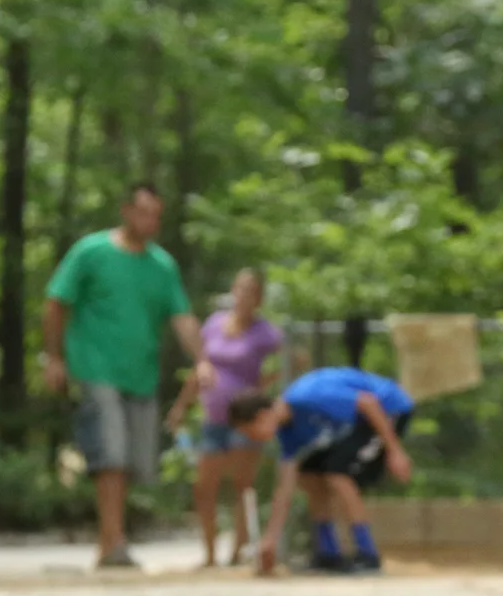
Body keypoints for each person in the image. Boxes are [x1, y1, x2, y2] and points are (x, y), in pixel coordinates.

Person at [42, 184, 212, 568]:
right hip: (96, 368)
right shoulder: (91, 252)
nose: (149, 220)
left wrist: (201, 360)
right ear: (126, 211)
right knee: (112, 454)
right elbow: (55, 303)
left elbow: (181, 316)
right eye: (143, 211)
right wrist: (54, 357)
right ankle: (112, 542)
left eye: (156, 214)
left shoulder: (162, 265)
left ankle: (111, 539)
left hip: (141, 375)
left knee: (136, 464)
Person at [231, 366, 415, 575]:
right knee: (309, 473)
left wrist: (395, 451)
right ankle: (329, 553)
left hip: (388, 409)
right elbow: (285, 487)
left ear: (263, 416)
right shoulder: (288, 432)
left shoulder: (307, 398)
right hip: (360, 420)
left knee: (338, 474)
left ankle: (367, 554)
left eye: (249, 431)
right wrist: (270, 539)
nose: (251, 438)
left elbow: (367, 402)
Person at [164, 268, 284, 567]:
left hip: (245, 420)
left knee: (242, 483)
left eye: (251, 291)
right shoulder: (214, 325)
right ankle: (209, 553)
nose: (243, 296)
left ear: (259, 298)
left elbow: (293, 360)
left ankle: (238, 549)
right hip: (213, 417)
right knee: (204, 485)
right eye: (240, 289)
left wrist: (263, 388)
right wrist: (181, 406)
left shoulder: (265, 333)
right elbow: (200, 367)